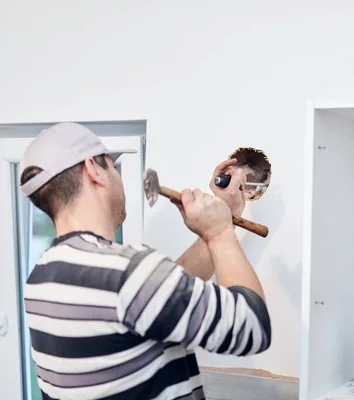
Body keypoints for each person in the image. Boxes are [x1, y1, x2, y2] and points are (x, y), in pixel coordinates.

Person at [19, 122, 271, 400]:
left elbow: (159, 299)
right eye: (112, 167)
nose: (120, 179)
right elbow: (252, 326)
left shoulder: (41, 279)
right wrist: (219, 232)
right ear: (93, 170)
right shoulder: (127, 274)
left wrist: (224, 217)